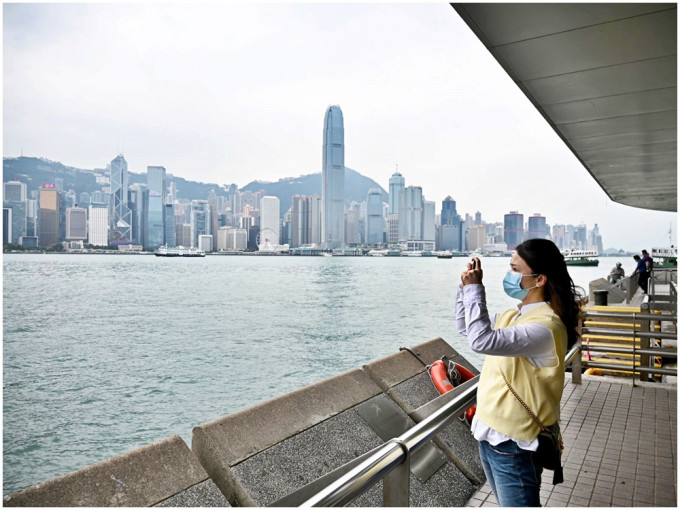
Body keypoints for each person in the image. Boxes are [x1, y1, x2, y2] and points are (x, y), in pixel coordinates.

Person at [455, 239, 583, 507]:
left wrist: (475, 289)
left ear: (539, 280)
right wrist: (464, 287)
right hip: (489, 435)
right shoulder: (513, 317)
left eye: (515, 269)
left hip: (514, 445)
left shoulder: (544, 327)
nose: (509, 275)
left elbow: (481, 341)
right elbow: (468, 328)